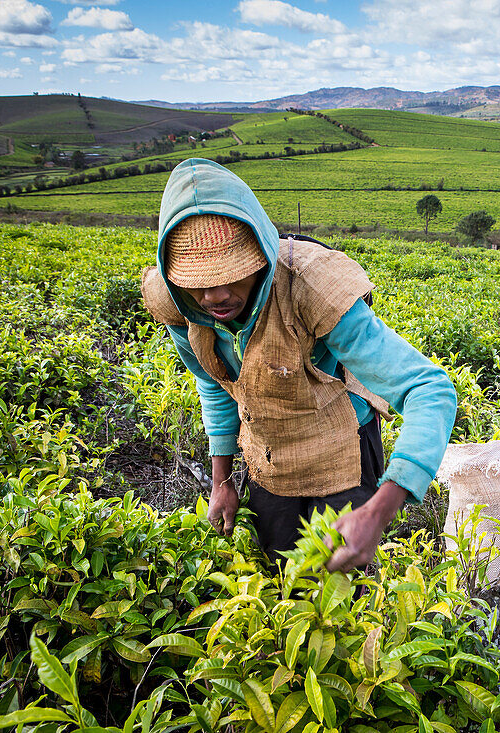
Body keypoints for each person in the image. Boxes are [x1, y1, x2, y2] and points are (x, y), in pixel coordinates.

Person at [140, 158, 457, 573]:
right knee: (280, 574)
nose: (216, 296)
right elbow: (216, 382)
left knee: (338, 588)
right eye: (199, 281)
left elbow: (429, 389)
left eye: (234, 275)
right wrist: (221, 480)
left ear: (261, 257)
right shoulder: (177, 303)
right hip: (269, 452)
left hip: (341, 447)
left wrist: (379, 511)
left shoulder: (310, 287)